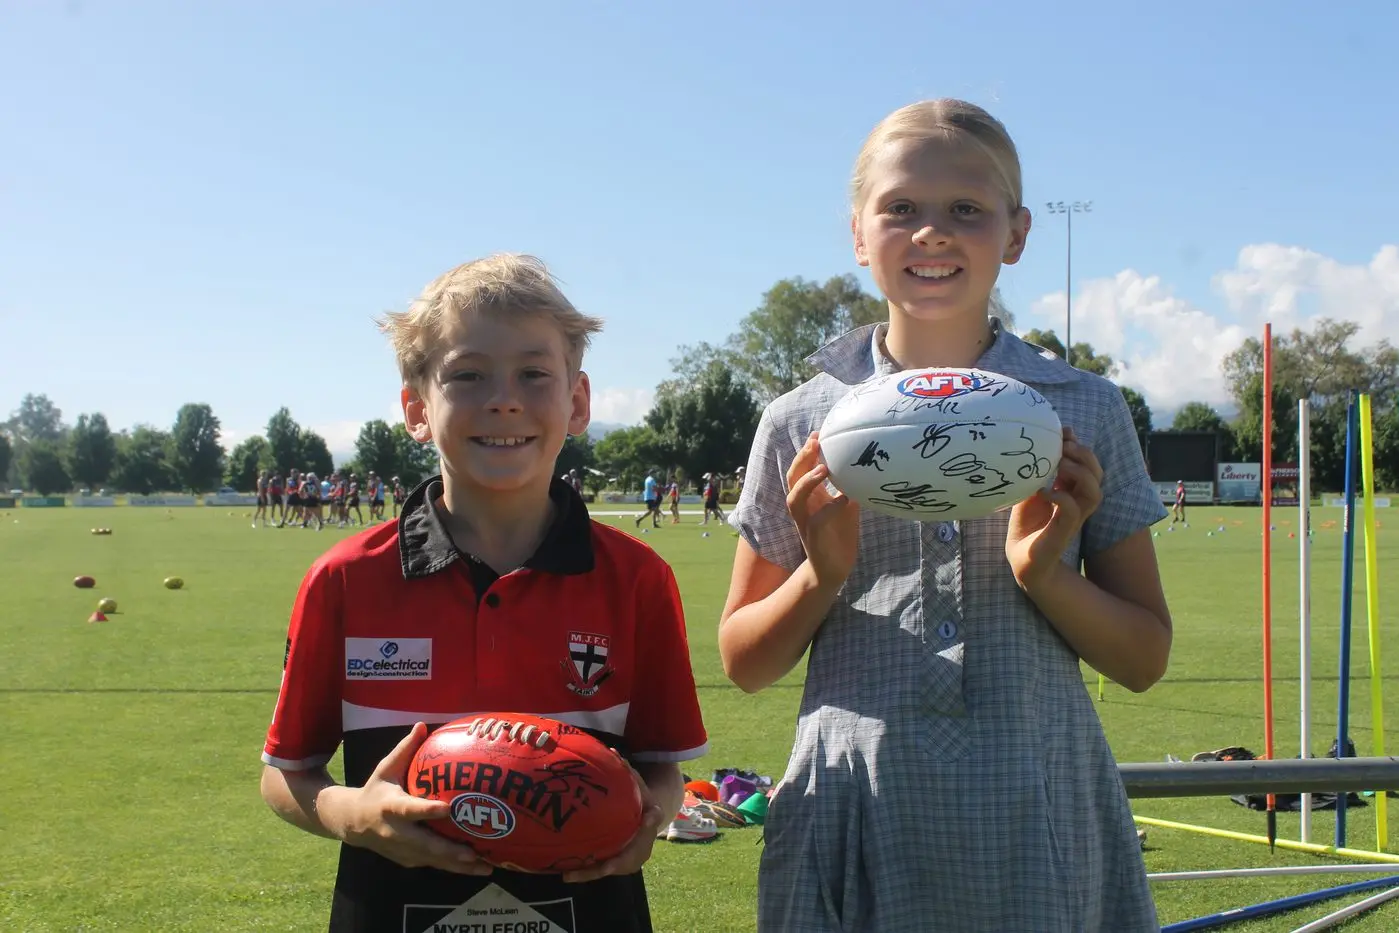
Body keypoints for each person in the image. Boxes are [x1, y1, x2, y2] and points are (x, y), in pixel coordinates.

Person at [718, 99, 1172, 932]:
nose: (931, 232)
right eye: (900, 208)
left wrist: (1042, 573)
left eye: (965, 208)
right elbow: (745, 661)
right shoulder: (800, 420)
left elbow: (1142, 658)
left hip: (1038, 807)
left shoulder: (1083, 408)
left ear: (1016, 234)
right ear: (858, 235)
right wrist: (822, 573)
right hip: (854, 802)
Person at [259, 253, 709, 932]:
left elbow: (661, 771)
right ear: (416, 409)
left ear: (577, 402)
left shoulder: (636, 577)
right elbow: (286, 773)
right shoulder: (346, 578)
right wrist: (353, 813)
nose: (504, 399)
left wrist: (649, 816)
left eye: (533, 374)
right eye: (467, 375)